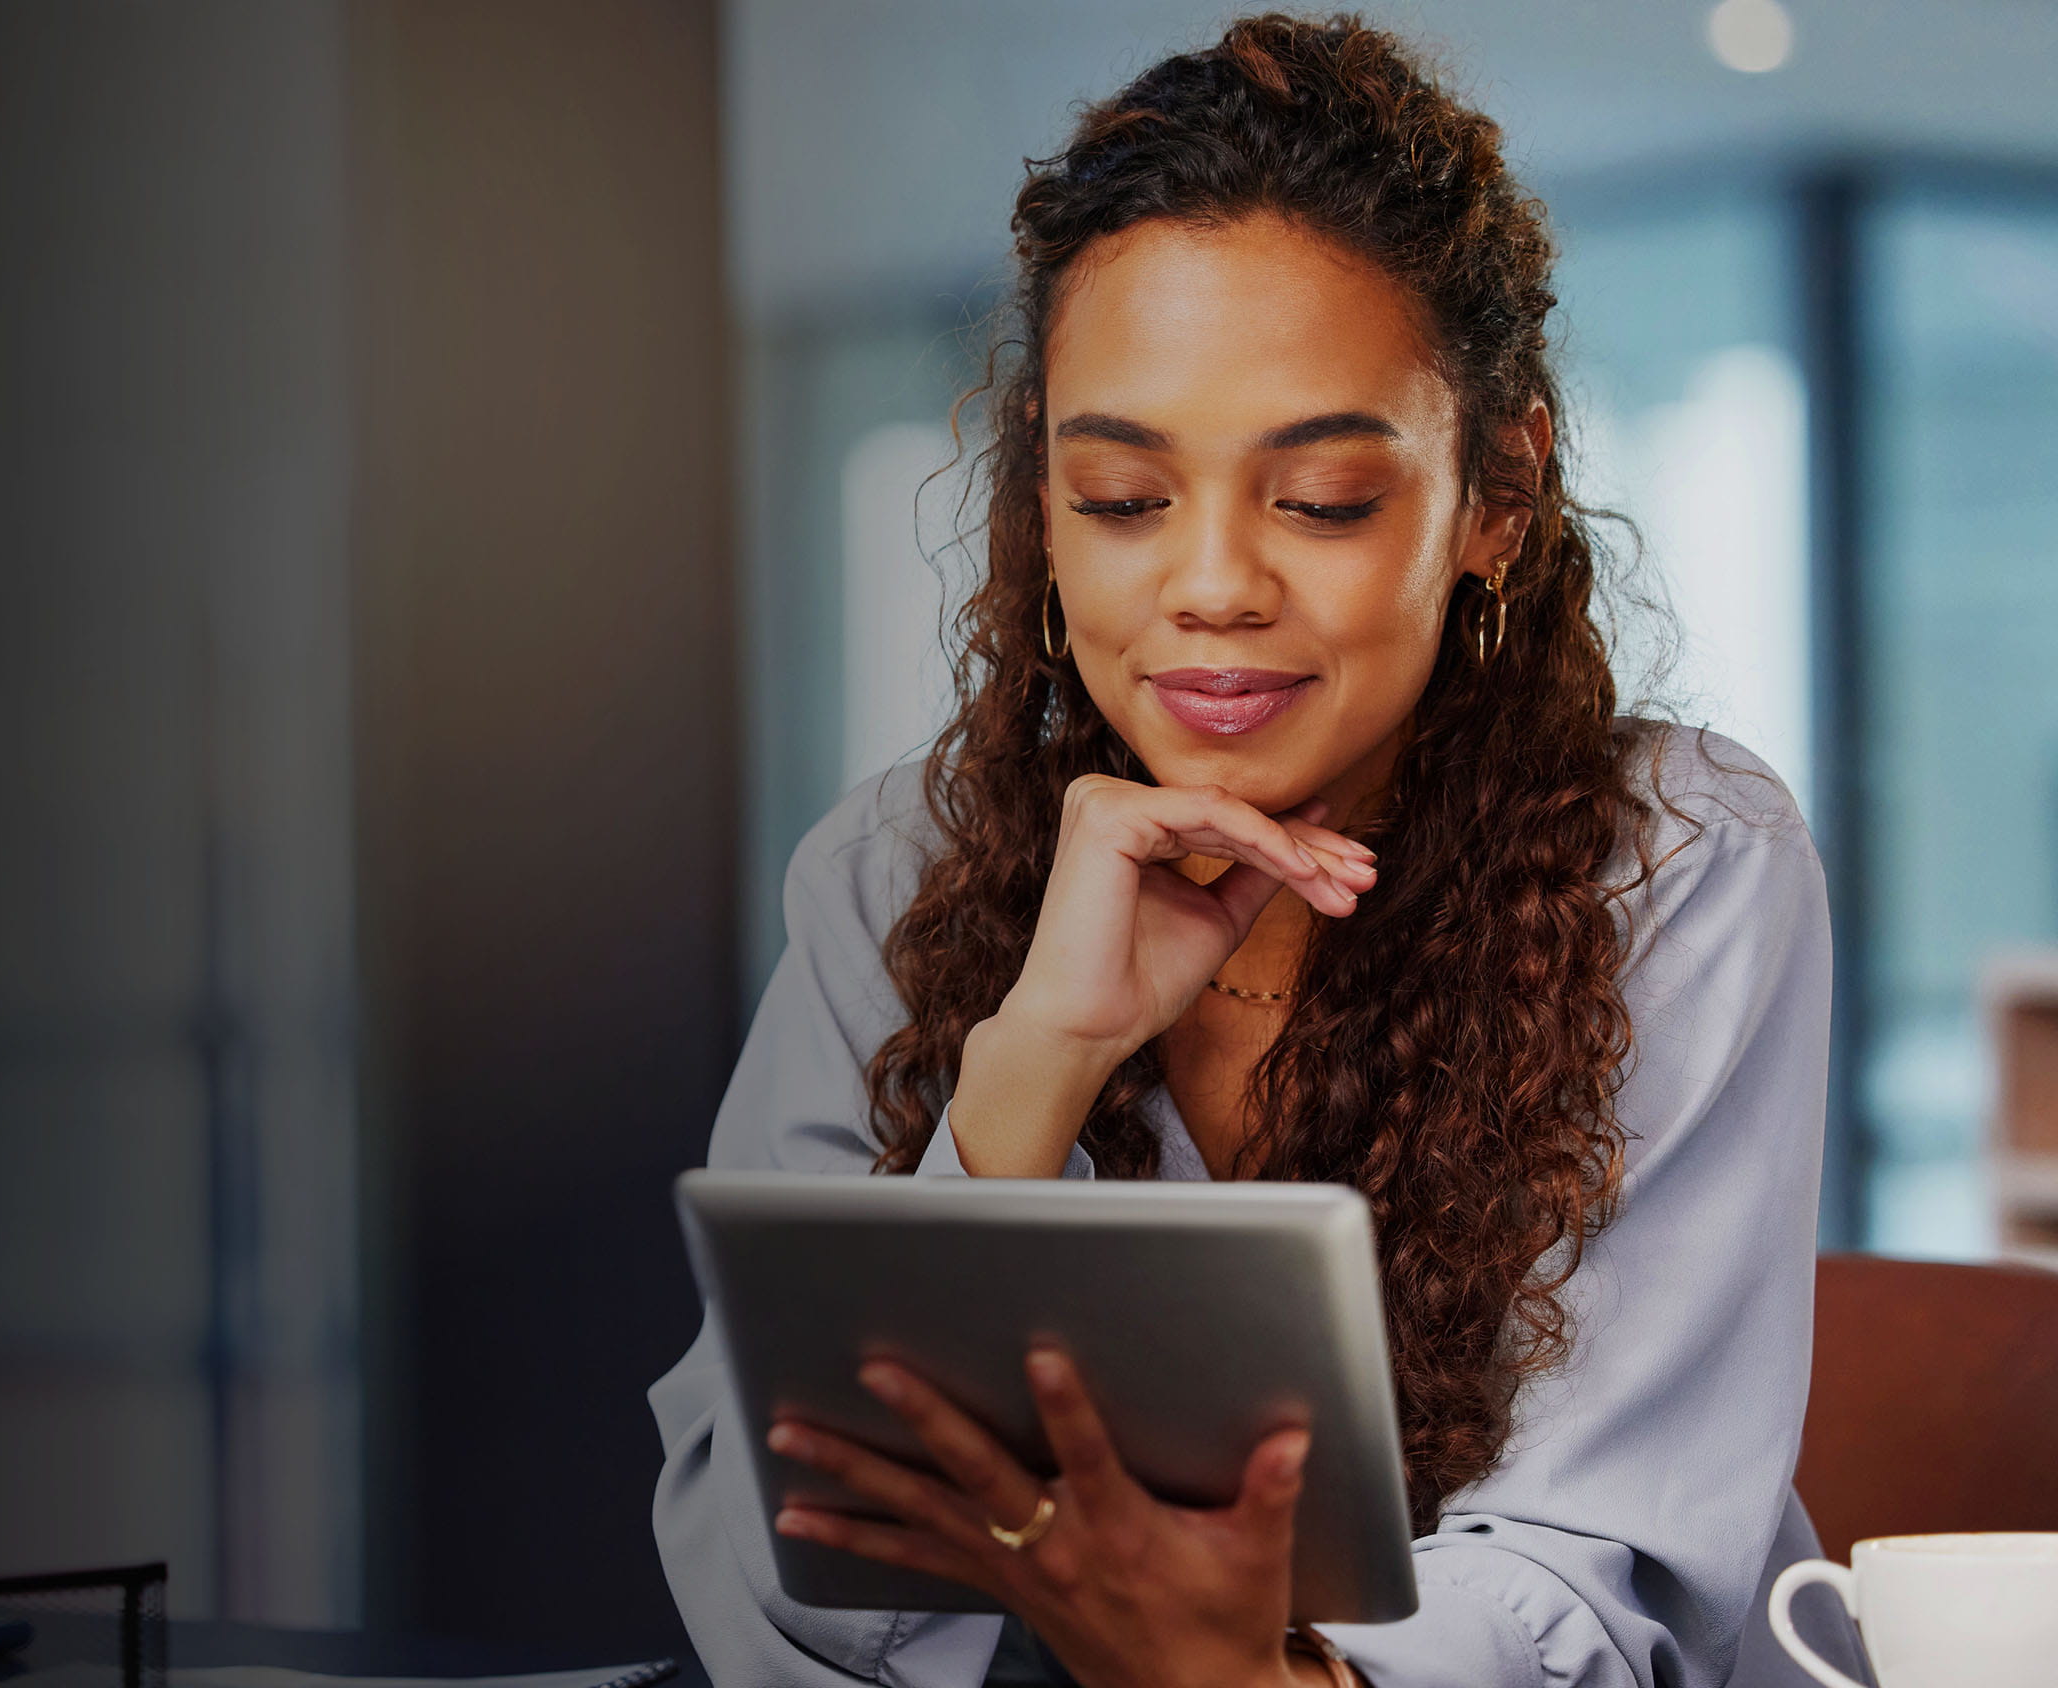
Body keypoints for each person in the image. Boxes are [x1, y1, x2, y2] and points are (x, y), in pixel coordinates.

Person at [649, 15, 1864, 1688]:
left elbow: (1607, 1572)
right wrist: (1031, 1075)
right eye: (1126, 501)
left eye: (1323, 501)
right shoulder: (894, 874)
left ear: (1496, 498)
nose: (1211, 587)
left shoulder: (1674, 867)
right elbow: (777, 1590)